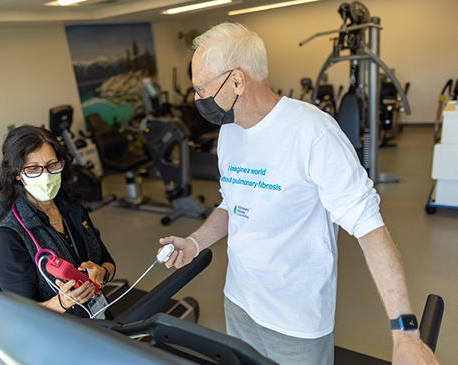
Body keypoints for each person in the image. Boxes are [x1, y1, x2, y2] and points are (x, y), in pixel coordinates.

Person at [159, 22, 438, 364]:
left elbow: (369, 228)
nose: (198, 98)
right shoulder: (229, 132)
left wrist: (405, 333)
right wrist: (197, 242)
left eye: (202, 88)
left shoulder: (313, 133)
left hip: (296, 323)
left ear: (236, 80)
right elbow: (232, 205)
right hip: (239, 302)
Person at [0, 125, 115, 318]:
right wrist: (62, 302)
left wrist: (102, 274)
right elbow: (22, 314)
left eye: (52, 165)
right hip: (59, 335)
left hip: (99, 320)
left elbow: (107, 261)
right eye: (33, 168)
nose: (46, 175)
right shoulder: (10, 237)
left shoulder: (73, 208)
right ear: (16, 173)